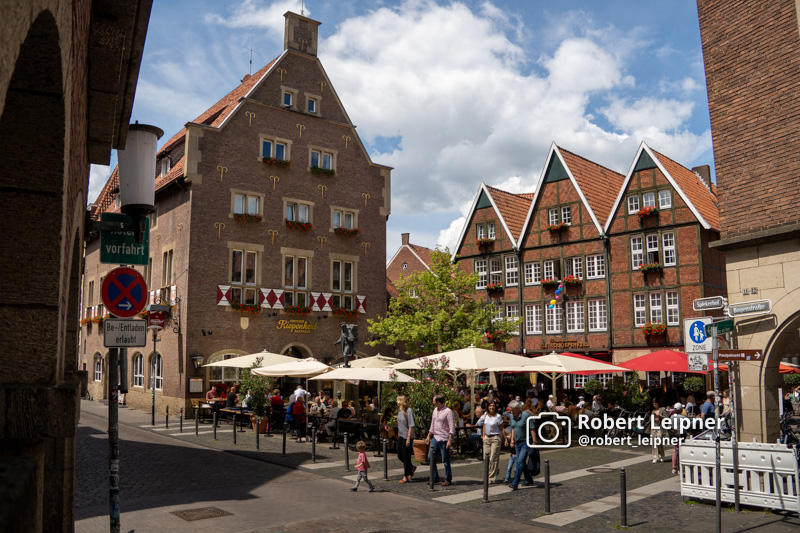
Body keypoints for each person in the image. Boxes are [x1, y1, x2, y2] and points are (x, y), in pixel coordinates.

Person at [425, 395, 455, 486]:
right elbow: (432, 424)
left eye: (434, 401)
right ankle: (435, 477)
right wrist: (428, 436)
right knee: (430, 457)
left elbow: (452, 427)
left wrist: (450, 440)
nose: (432, 402)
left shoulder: (448, 412)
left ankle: (448, 479)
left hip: (444, 438)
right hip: (436, 437)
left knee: (445, 460)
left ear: (438, 402)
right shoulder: (435, 410)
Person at [506, 400, 535, 490]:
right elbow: (513, 428)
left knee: (520, 461)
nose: (511, 412)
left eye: (513, 410)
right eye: (510, 410)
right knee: (521, 462)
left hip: (526, 442)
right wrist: (512, 440)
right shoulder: (511, 416)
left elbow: (532, 429)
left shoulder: (525, 416)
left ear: (518, 409)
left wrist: (534, 441)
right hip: (517, 442)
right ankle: (529, 479)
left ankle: (515, 483)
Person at [477, 400, 505, 483]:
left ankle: (491, 477)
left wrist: (506, 439)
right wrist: (483, 435)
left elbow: (502, 428)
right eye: (490, 406)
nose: (491, 407)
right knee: (486, 458)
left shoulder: (498, 416)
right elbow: (483, 424)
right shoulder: (485, 415)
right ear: (487, 407)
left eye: (493, 406)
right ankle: (492, 471)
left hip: (495, 438)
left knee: (493, 458)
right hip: (487, 438)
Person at [396, 395, 416, 483]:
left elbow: (411, 425)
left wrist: (408, 438)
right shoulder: (400, 411)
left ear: (401, 401)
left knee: (406, 456)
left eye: (397, 400)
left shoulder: (409, 411)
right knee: (399, 455)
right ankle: (411, 467)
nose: (396, 402)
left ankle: (405, 476)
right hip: (401, 435)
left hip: (407, 436)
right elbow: (400, 423)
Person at [670, 402, 687, 474]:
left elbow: (670, 427)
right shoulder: (683, 418)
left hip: (674, 435)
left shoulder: (672, 417)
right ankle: (681, 468)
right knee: (681, 451)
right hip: (682, 435)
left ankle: (674, 467)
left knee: (675, 450)